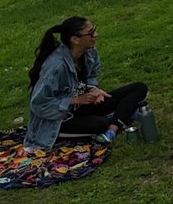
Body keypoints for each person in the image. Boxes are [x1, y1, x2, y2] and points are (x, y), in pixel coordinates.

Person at [25, 18, 148, 152]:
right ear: (75, 39)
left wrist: (94, 89)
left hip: (83, 106)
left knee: (139, 88)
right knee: (101, 123)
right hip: (59, 119)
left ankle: (112, 131)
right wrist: (75, 100)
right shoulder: (56, 67)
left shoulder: (89, 52)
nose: (96, 35)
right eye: (91, 33)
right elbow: (38, 104)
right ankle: (115, 121)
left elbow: (91, 75)